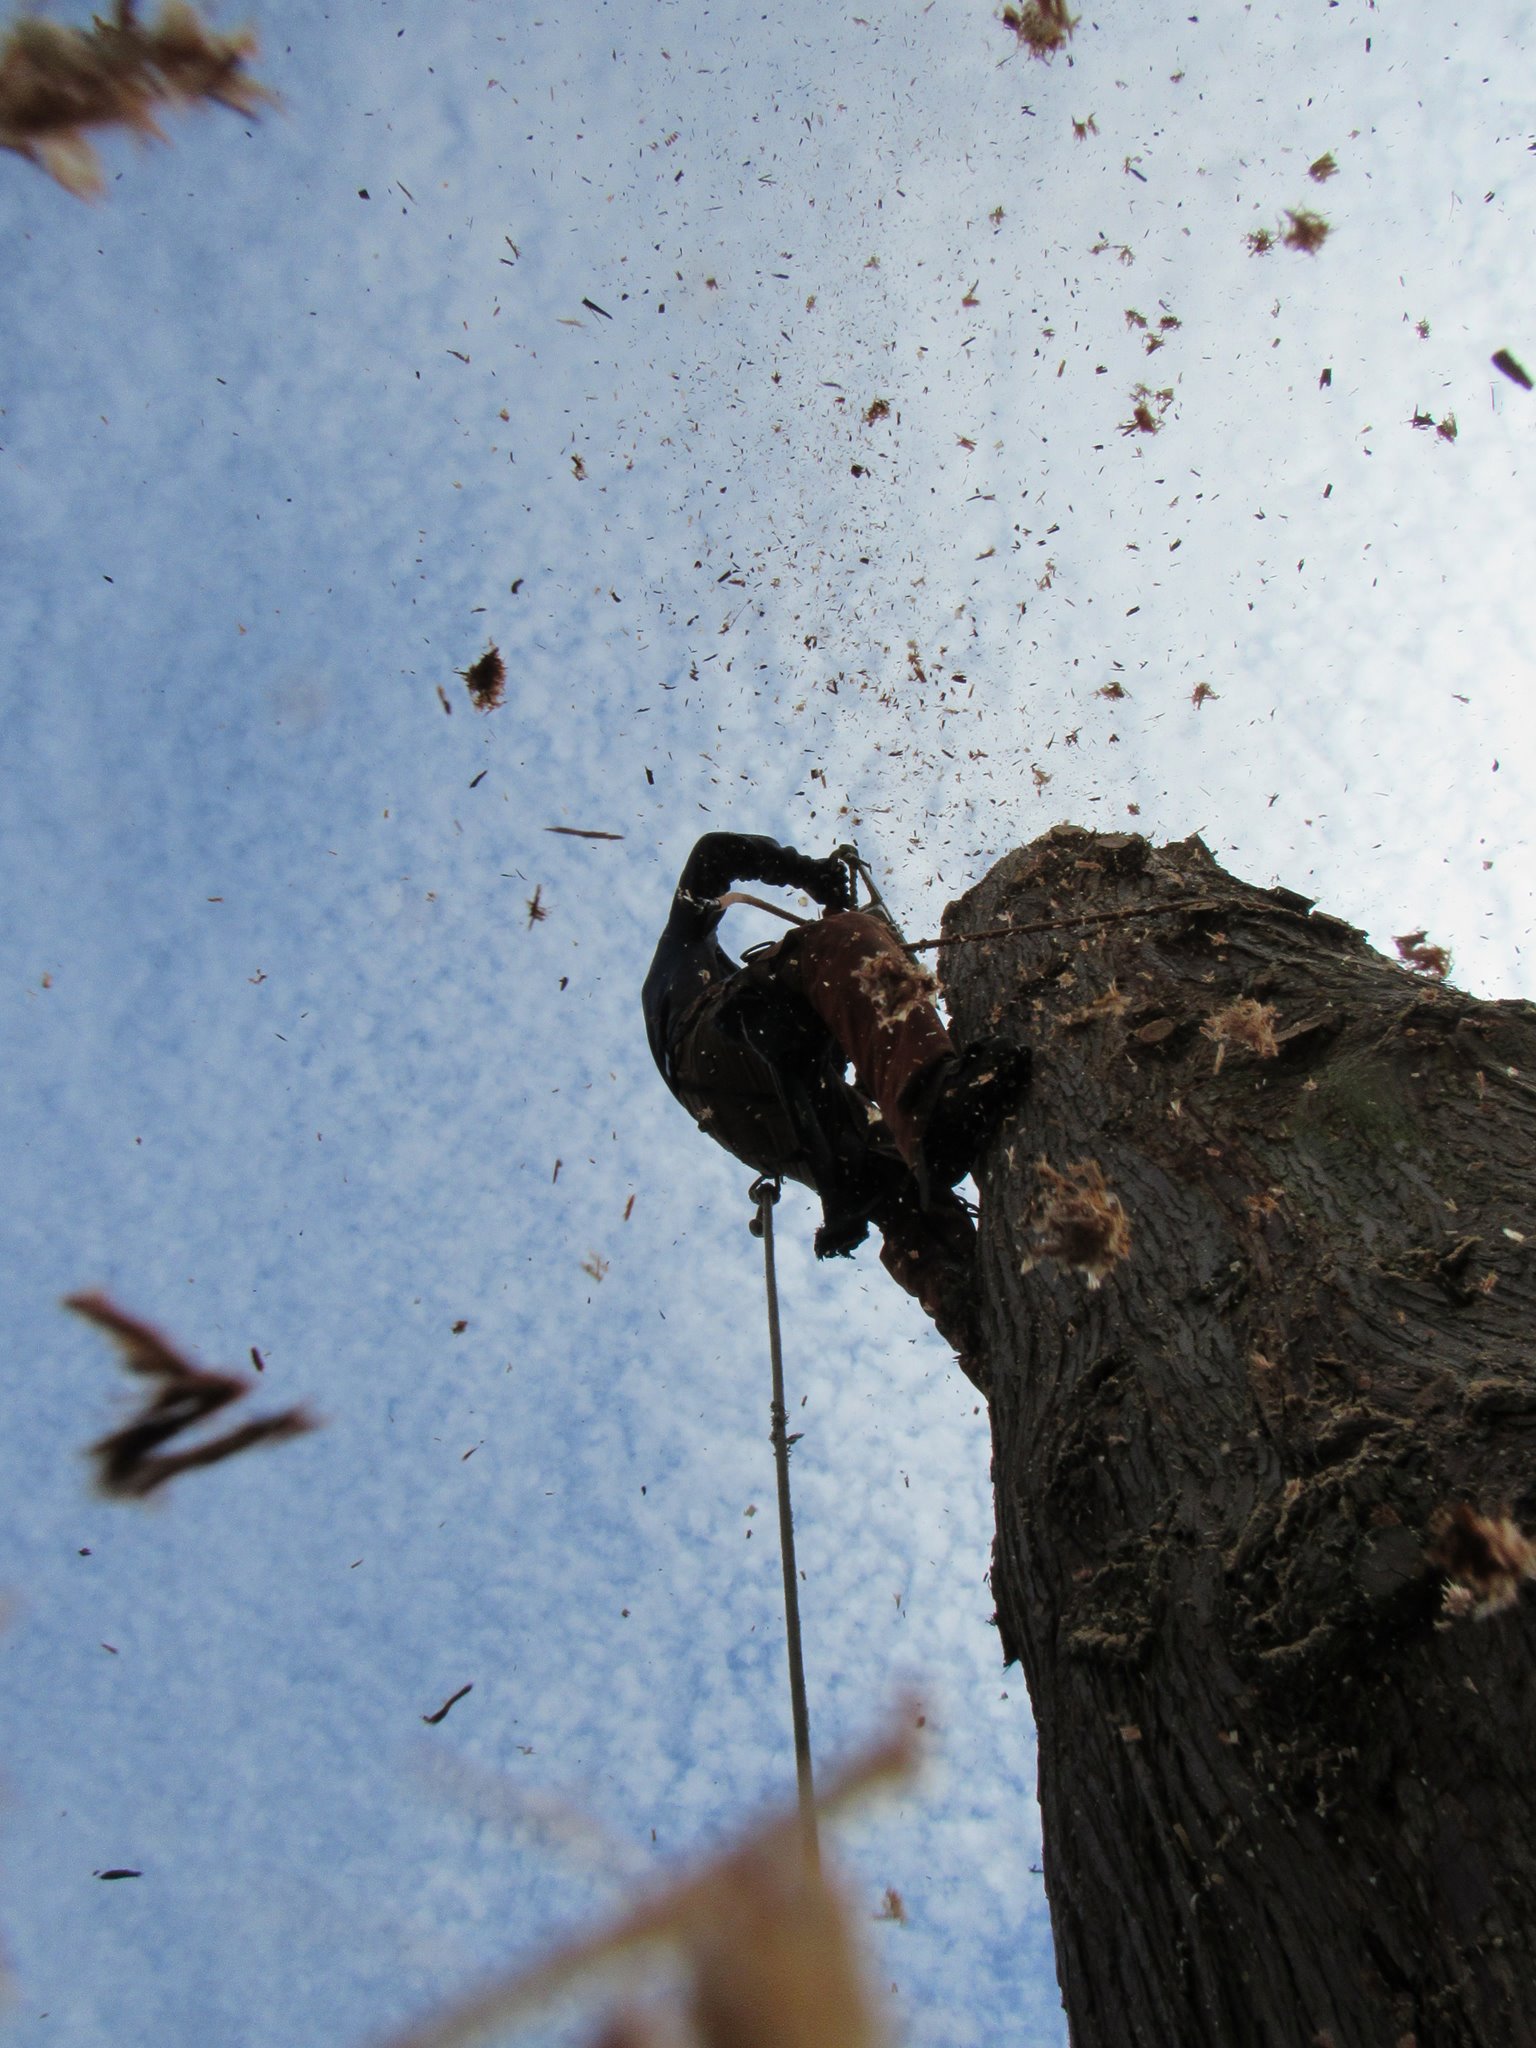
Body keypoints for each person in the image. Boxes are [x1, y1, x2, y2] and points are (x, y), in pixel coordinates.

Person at [642, 832, 1031, 1374]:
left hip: (772, 1124)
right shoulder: (684, 952)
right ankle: (928, 1105)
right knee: (841, 940)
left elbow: (808, 1048)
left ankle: (983, 1330)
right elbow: (712, 854)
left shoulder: (755, 1004)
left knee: (896, 1192)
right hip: (715, 1056)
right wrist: (812, 875)